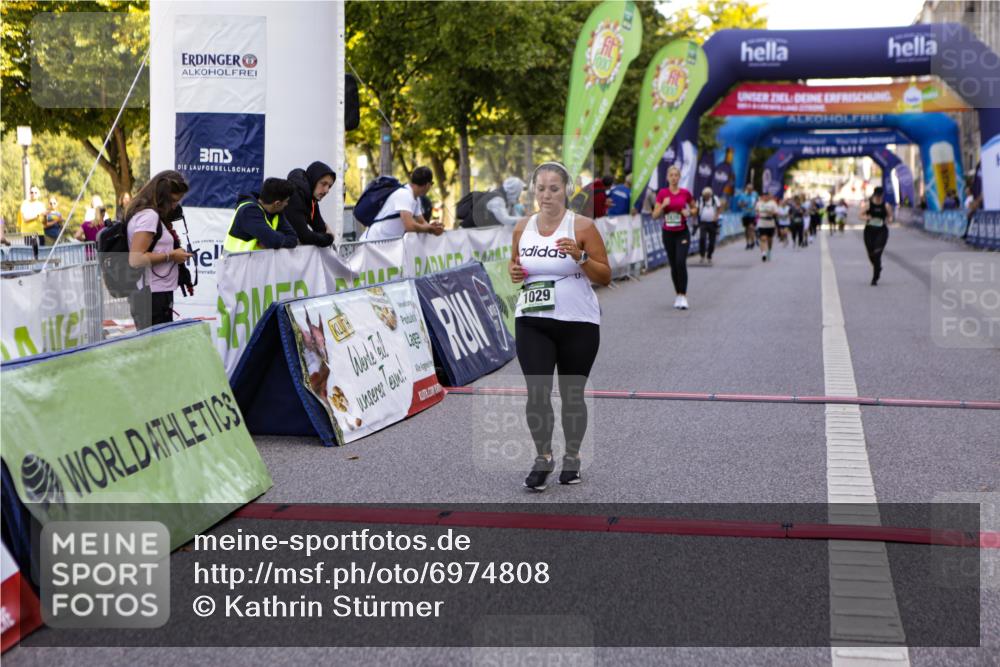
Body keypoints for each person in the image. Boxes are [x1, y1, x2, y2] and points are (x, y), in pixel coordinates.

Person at [508, 162, 610, 491]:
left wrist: (580, 257)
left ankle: (573, 457)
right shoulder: (522, 227)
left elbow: (605, 276)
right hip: (532, 320)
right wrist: (514, 273)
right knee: (537, 392)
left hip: (577, 321)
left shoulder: (582, 226)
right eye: (541, 188)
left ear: (565, 190)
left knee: (571, 394)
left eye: (554, 188)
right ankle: (543, 458)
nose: (546, 194)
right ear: (533, 191)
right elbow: (516, 266)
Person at [125, 171, 193, 330]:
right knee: (155, 351)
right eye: (174, 201)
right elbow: (135, 259)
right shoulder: (149, 216)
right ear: (163, 197)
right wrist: (171, 256)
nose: (176, 206)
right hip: (152, 297)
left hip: (154, 294)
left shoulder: (145, 213)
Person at [653, 165, 696, 309]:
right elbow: (654, 215)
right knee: (673, 264)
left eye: (676, 175)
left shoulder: (685, 193)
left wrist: (689, 212)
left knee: (680, 262)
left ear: (679, 177)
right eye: (671, 175)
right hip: (668, 233)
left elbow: (695, 208)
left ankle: (683, 295)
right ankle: (677, 294)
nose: (673, 177)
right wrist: (663, 205)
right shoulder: (662, 193)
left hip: (682, 232)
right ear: (667, 177)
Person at [360, 166, 442, 241]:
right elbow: (410, 226)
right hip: (374, 243)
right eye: (431, 184)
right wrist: (429, 229)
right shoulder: (405, 195)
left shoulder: (415, 198)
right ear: (427, 185)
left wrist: (433, 226)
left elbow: (422, 222)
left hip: (387, 244)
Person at [223, 178, 299, 253]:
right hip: (235, 263)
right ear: (277, 203)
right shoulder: (249, 211)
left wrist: (271, 240)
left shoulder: (277, 212)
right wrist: (274, 240)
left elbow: (293, 238)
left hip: (256, 263)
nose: (287, 204)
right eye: (286, 201)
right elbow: (273, 241)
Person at [285, 161, 336, 247]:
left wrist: (326, 235)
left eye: (329, 186)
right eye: (323, 184)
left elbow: (321, 228)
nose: (327, 191)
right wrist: (329, 238)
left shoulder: (311, 198)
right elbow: (304, 236)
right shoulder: (294, 196)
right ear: (314, 179)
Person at [860, 186, 893, 286]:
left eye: (880, 196)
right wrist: (866, 217)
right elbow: (860, 215)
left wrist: (889, 220)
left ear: (882, 195)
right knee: (871, 253)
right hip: (869, 231)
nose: (878, 198)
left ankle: (875, 277)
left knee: (877, 252)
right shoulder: (868, 205)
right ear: (874, 195)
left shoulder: (886, 205)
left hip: (881, 231)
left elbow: (890, 216)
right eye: (877, 196)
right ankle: (877, 267)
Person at [695, 186, 721, 265]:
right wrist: (695, 220)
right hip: (703, 222)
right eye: (705, 195)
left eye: (708, 195)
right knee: (702, 238)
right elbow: (696, 210)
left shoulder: (714, 199)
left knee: (712, 241)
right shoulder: (700, 200)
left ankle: (709, 255)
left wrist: (716, 216)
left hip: (712, 223)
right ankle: (702, 255)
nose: (707, 196)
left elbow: (719, 208)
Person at [755, 191, 779, 262]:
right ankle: (763, 254)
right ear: (762, 196)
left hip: (770, 222)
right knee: (763, 238)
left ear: (769, 196)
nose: (765, 197)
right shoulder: (759, 203)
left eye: (767, 196)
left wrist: (769, 212)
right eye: (764, 196)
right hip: (762, 222)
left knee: (769, 240)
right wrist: (758, 211)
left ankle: (769, 251)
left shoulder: (773, 203)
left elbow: (776, 213)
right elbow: (756, 210)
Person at [734, 183, 758, 250]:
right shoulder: (742, 195)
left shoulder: (755, 194)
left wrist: (756, 207)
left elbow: (757, 202)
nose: (750, 190)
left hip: (753, 214)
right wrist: (743, 204)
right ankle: (748, 243)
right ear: (746, 189)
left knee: (751, 227)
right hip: (745, 214)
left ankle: (752, 240)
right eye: (749, 189)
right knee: (747, 229)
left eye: (751, 189)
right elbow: (739, 204)